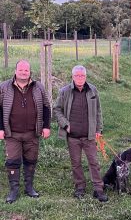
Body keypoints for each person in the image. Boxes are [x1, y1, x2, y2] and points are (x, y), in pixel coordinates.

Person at [53, 65, 108, 202]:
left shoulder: (93, 90)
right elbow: (57, 109)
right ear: (72, 77)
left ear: (85, 77)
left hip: (89, 135)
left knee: (94, 162)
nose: (80, 78)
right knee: (76, 163)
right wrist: (65, 124)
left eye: (82, 75)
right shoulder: (65, 91)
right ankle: (80, 187)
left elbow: (98, 111)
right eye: (77, 75)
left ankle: (98, 189)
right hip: (73, 137)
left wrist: (98, 130)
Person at [0, 60, 51, 203]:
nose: (23, 72)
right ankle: (14, 191)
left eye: (26, 70)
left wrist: (46, 126)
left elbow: (46, 106)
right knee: (12, 161)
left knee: (31, 160)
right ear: (15, 71)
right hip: (12, 134)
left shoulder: (38, 87)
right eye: (21, 70)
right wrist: (0, 128)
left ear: (30, 72)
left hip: (32, 133)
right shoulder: (4, 87)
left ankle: (29, 188)